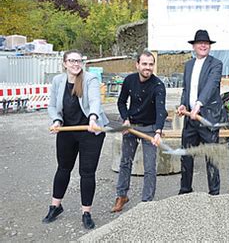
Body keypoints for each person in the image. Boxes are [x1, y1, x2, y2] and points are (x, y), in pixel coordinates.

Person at [45, 50, 108, 229]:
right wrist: (56, 120)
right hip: (67, 130)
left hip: (90, 131)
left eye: (78, 61)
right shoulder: (58, 81)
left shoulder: (90, 79)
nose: (75, 64)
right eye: (72, 61)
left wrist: (93, 118)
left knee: (87, 172)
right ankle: (55, 206)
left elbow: (95, 100)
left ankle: (86, 212)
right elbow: (52, 105)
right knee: (63, 168)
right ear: (64, 63)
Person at [111, 51, 167, 213]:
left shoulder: (158, 85)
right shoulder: (129, 81)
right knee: (125, 162)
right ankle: (122, 195)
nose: (147, 67)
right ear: (137, 65)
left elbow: (160, 109)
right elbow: (121, 102)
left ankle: (147, 202)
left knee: (150, 167)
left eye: (150, 64)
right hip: (132, 126)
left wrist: (158, 131)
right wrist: (126, 119)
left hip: (150, 129)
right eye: (144, 64)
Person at [177, 29, 226, 195]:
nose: (203, 45)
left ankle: (214, 193)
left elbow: (211, 85)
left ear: (209, 46)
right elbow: (186, 89)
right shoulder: (188, 65)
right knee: (186, 155)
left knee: (211, 158)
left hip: (208, 118)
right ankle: (185, 191)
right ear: (194, 46)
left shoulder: (216, 64)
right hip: (190, 119)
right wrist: (183, 105)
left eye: (206, 43)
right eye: (200, 43)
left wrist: (199, 104)